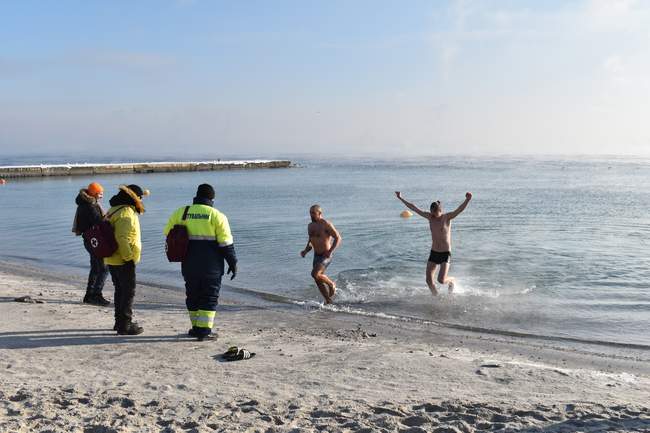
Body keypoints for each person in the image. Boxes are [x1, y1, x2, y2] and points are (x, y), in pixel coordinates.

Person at [164, 184, 237, 341]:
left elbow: (167, 233)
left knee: (192, 295)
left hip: (188, 264)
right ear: (212, 199)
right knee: (209, 296)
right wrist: (233, 263)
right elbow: (226, 244)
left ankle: (196, 327)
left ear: (196, 196)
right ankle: (204, 331)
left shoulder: (181, 212)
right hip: (211, 266)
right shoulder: (216, 215)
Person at [395, 191, 472, 296]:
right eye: (431, 213)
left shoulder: (447, 218)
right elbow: (414, 208)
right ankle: (436, 297)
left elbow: (459, 210)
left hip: (445, 253)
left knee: (441, 280)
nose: (432, 216)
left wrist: (467, 200)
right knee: (429, 280)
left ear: (440, 211)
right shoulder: (430, 217)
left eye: (434, 213)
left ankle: (452, 281)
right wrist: (400, 198)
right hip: (434, 252)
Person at [105, 184, 146, 335]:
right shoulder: (126, 212)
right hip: (122, 259)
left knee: (120, 291)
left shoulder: (113, 209)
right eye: (140, 198)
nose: (141, 201)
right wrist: (129, 258)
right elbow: (122, 238)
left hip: (112, 258)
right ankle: (125, 325)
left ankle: (119, 322)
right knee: (128, 292)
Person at [73, 182, 110, 306]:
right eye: (100, 193)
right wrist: (109, 218)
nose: (102, 196)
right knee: (104, 268)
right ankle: (96, 295)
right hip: (95, 240)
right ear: (94, 193)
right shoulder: (91, 206)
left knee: (95, 267)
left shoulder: (83, 204)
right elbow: (99, 222)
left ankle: (89, 295)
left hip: (88, 239)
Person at [300, 205, 341, 304]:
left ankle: (331, 284)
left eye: (313, 213)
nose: (311, 215)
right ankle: (328, 300)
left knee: (315, 274)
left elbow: (338, 238)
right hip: (316, 256)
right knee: (317, 279)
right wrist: (305, 251)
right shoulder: (310, 226)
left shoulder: (326, 224)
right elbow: (311, 241)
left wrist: (330, 251)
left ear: (320, 213)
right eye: (310, 213)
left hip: (325, 256)